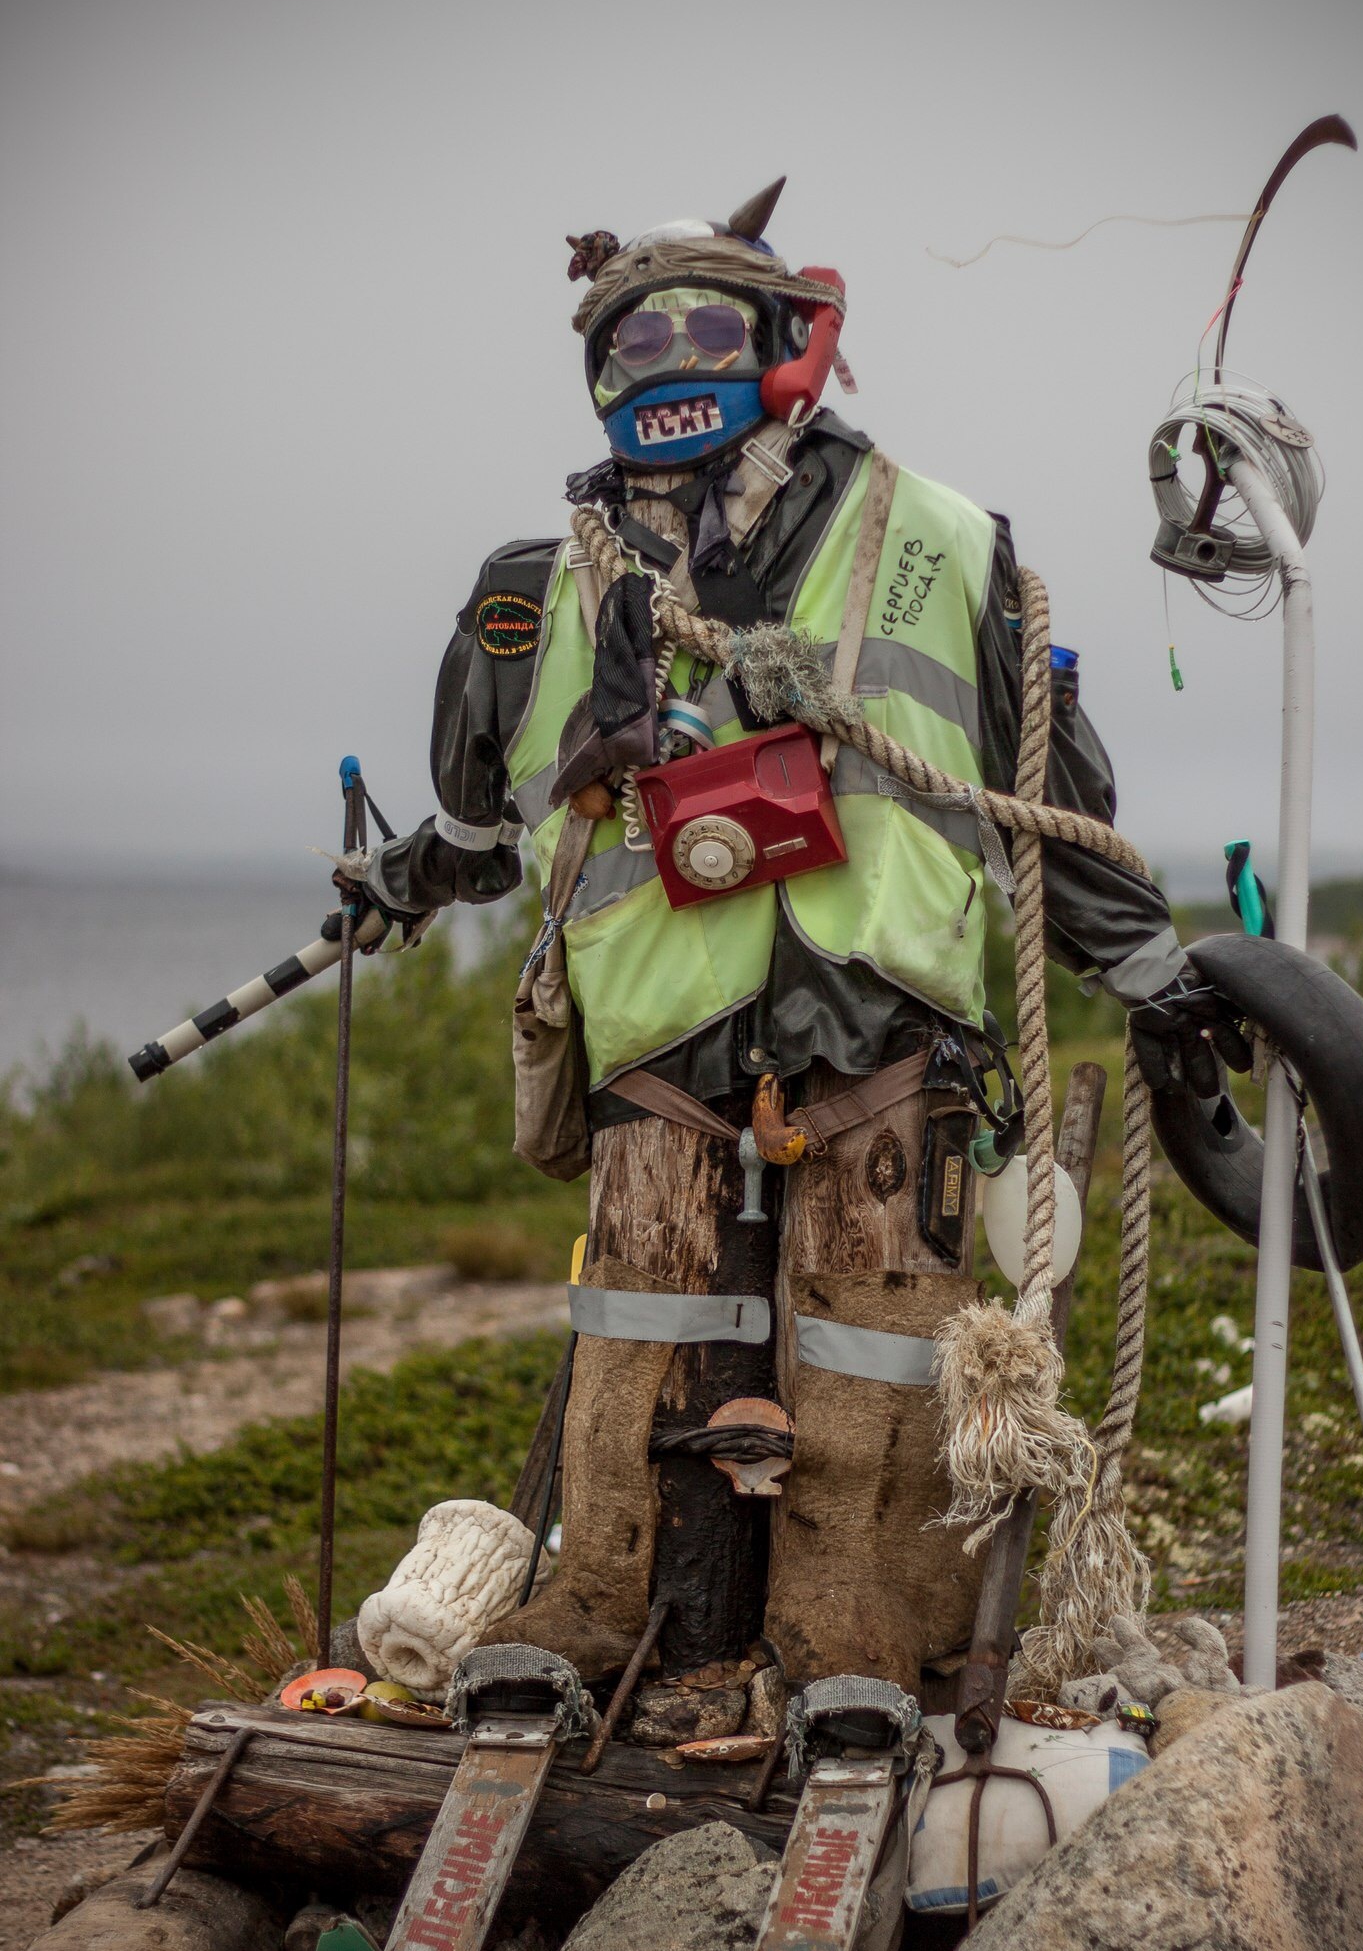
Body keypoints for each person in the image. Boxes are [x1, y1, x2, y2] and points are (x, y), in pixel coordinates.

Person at [337, 180, 1244, 1699]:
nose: (658, 370)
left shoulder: (949, 547)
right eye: (625, 346)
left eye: (696, 329)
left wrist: (1157, 978)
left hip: (887, 1038)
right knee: (642, 1319)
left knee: (882, 1344)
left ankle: (860, 1631)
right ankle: (610, 1603)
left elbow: (1046, 808)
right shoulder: (538, 591)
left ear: (787, 344)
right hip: (658, 1046)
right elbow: (488, 827)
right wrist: (402, 884)